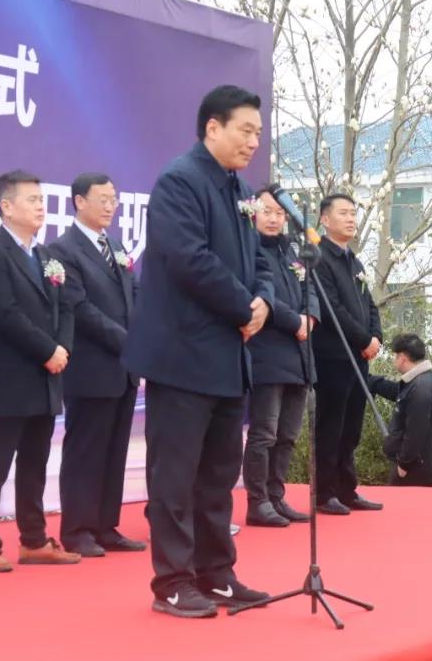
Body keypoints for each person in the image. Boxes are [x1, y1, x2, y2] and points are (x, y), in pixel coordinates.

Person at [123, 84, 275, 618]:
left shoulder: (242, 190)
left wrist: (263, 300)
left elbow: (260, 259)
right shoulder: (179, 182)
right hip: (183, 356)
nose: (254, 141)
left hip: (228, 359)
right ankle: (172, 581)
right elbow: (189, 259)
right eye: (245, 130)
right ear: (213, 127)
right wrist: (244, 307)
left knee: (217, 477)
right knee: (175, 476)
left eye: (258, 132)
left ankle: (217, 574)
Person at [0, 170, 80, 573]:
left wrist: (62, 348)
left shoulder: (47, 257)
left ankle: (33, 540)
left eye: (41, 199)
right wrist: (47, 350)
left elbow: (65, 307)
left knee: (35, 462)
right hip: (10, 376)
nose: (40, 207)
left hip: (46, 377)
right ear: (6, 206)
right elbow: (4, 314)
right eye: (31, 200)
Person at [48, 173, 146, 557]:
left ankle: (107, 526)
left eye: (114, 199)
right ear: (79, 201)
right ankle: (77, 529)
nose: (110, 206)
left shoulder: (116, 246)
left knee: (115, 450)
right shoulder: (62, 250)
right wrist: (128, 340)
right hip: (90, 367)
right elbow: (79, 308)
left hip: (124, 368)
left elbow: (135, 295)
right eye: (102, 199)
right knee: (85, 451)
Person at [243, 189, 319, 527]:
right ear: (253, 213)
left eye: (279, 213)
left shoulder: (292, 249)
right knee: (265, 433)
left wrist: (310, 317)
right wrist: (295, 322)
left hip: (300, 354)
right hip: (268, 351)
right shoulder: (248, 248)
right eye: (267, 211)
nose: (273, 218)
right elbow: (261, 296)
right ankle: (257, 501)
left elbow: (311, 289)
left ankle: (277, 495)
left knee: (288, 434)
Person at [312, 194, 384, 515]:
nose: (351, 219)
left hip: (359, 358)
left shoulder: (355, 262)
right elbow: (332, 308)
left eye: (353, 213)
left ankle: (346, 488)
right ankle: (325, 492)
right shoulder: (318, 258)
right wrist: (363, 339)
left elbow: (370, 305)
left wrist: (376, 337)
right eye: (343, 213)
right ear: (325, 219)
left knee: (352, 426)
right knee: (331, 425)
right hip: (333, 357)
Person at [370, 333, 432, 487]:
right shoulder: (419, 380)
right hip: (414, 464)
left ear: (402, 358)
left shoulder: (420, 388)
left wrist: (404, 464)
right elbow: (399, 392)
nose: (394, 360)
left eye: (395, 356)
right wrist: (374, 383)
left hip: (415, 469)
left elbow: (416, 430)